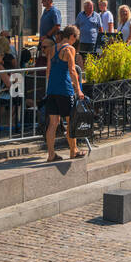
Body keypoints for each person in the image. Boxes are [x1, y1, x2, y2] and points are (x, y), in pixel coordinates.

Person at [43, 25, 84, 162]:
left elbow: (48, 70)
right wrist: (78, 90)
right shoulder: (69, 49)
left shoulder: (53, 48)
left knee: (53, 123)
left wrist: (50, 87)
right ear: (72, 36)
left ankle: (51, 154)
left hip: (52, 90)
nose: (75, 41)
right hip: (65, 90)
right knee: (70, 121)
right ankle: (74, 151)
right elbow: (72, 71)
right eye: (75, 38)